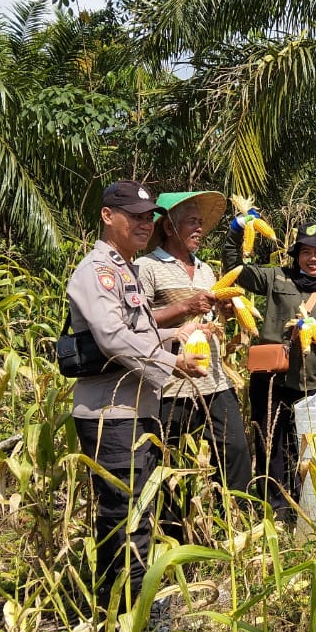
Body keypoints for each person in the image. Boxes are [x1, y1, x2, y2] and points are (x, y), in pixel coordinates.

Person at [67, 180, 206, 605]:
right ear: (109, 216)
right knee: (123, 514)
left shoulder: (125, 268)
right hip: (112, 412)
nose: (145, 225)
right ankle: (121, 611)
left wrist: (177, 333)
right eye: (135, 216)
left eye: (149, 218)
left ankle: (129, 604)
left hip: (136, 408)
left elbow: (137, 333)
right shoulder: (99, 270)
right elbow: (111, 337)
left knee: (138, 510)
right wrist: (172, 362)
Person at [221, 220, 316, 514]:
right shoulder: (276, 278)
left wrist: (314, 331)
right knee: (269, 443)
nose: (313, 259)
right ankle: (275, 508)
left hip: (308, 381)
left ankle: (304, 504)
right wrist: (237, 230)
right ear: (296, 255)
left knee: (304, 446)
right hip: (269, 377)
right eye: (306, 252)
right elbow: (234, 269)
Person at [135, 191, 253, 511]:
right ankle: (177, 535)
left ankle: (236, 522)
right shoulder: (146, 267)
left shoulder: (206, 270)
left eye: (201, 223)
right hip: (171, 384)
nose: (199, 229)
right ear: (170, 228)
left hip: (213, 380)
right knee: (171, 461)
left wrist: (225, 312)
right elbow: (136, 322)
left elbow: (209, 319)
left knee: (236, 451)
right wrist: (184, 306)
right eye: (192, 222)